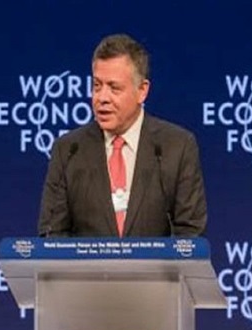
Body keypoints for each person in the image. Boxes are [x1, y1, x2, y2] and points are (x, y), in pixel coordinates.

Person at [38, 33, 206, 237]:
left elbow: (190, 235)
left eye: (114, 88)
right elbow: (52, 235)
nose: (102, 98)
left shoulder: (177, 147)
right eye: (97, 86)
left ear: (142, 91)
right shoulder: (68, 150)